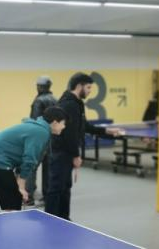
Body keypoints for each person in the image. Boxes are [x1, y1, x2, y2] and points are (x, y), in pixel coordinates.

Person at [46, 73, 121, 220]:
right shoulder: (69, 104)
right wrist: (76, 155)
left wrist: (106, 131)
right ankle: (50, 219)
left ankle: (63, 218)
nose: (90, 91)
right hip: (61, 152)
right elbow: (69, 133)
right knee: (56, 188)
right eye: (88, 87)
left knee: (65, 187)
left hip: (66, 152)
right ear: (79, 86)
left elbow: (83, 126)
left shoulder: (76, 103)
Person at [0, 107, 67, 211]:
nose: (64, 127)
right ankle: (11, 223)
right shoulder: (41, 132)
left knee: (13, 199)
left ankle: (10, 217)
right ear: (55, 122)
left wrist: (19, 182)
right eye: (63, 123)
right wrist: (21, 186)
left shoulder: (39, 127)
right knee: (13, 202)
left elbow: (23, 157)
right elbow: (29, 159)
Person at [26, 76, 57, 205]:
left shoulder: (39, 100)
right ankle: (47, 196)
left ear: (40, 87)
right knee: (48, 168)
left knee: (31, 167)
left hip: (39, 139)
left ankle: (29, 197)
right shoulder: (55, 99)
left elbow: (35, 121)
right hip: (52, 138)